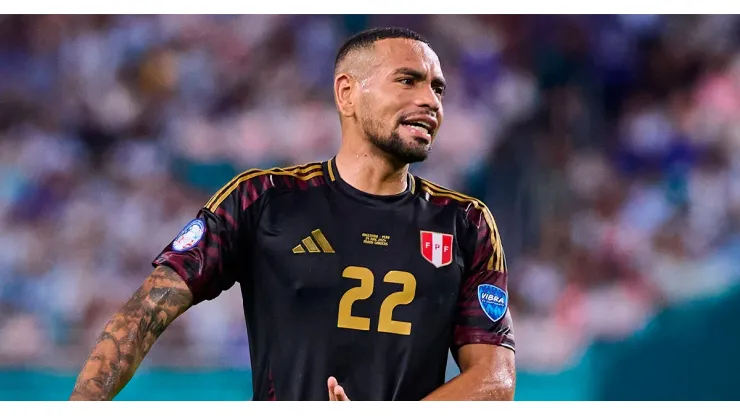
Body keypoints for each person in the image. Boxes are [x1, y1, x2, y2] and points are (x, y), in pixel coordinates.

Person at [69, 27, 515, 401]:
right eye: (408, 81)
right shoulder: (262, 200)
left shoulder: (465, 223)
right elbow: (145, 312)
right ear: (347, 93)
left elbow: (496, 380)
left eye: (437, 88)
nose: (431, 101)